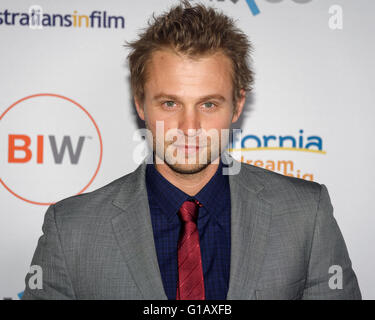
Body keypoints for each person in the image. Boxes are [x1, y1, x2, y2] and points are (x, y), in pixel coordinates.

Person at [22, 1, 361, 300]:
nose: (188, 127)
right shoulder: (71, 229)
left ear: (237, 105)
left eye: (209, 104)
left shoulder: (306, 215)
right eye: (170, 103)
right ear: (140, 103)